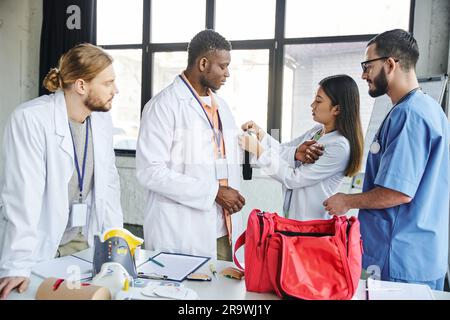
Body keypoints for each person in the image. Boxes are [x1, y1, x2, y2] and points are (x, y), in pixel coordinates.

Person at [324, 29, 449, 290]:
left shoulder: (410, 115)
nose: (363, 74)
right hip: (422, 254)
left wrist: (346, 201)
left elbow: (398, 191)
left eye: (368, 66)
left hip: (400, 257)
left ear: (390, 64)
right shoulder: (429, 109)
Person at [0, 43, 123, 299]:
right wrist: (17, 264)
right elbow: (23, 196)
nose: (116, 90)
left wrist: (117, 248)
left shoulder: (100, 120)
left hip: (83, 247)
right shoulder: (31, 119)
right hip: (40, 249)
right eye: (108, 83)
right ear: (81, 86)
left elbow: (109, 187)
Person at [136, 30, 245, 261]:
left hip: (223, 229)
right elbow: (150, 172)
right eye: (223, 66)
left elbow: (227, 153)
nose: (227, 74)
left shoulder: (222, 107)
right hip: (182, 231)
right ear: (203, 63)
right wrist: (214, 192)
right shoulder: (163, 106)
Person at [240, 75, 363, 220]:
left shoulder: (339, 146)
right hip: (294, 219)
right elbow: (285, 150)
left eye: (318, 100)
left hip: (312, 225)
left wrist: (259, 151)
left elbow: (293, 178)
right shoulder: (317, 131)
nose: (312, 105)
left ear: (337, 109)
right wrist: (261, 134)